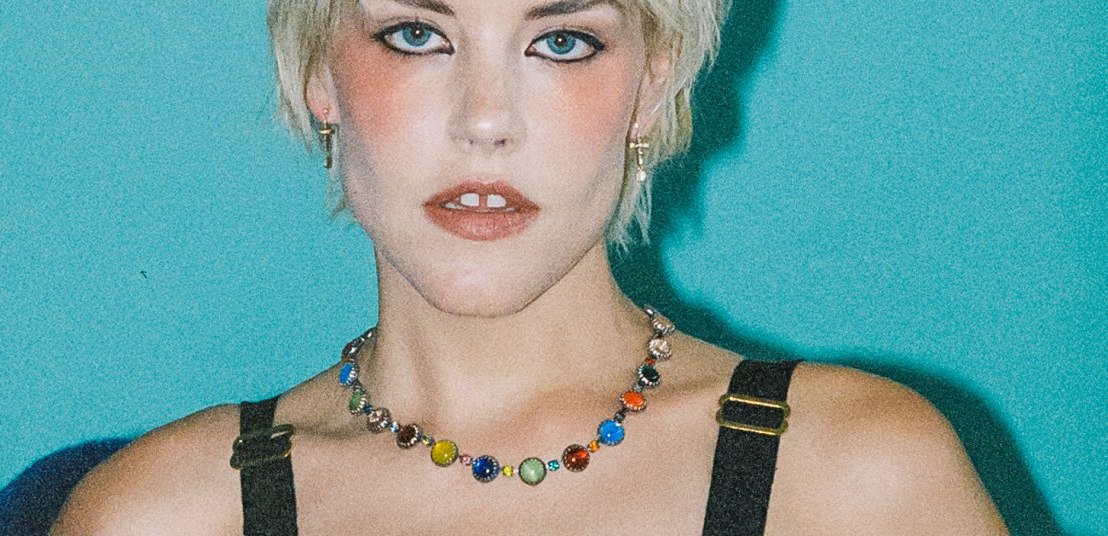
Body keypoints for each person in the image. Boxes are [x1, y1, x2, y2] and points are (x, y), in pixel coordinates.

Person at [52, 0, 1008, 534]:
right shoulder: (160, 516)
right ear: (318, 74)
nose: (486, 121)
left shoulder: (858, 477)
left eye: (560, 43)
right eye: (417, 35)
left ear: (651, 84)